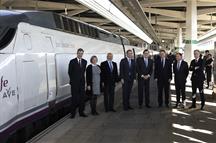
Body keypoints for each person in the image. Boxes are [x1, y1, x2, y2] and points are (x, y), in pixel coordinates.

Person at [68, 48, 88, 118]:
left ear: (83, 54)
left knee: (82, 98)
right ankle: (72, 114)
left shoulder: (85, 62)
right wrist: (73, 81)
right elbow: (69, 72)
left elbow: (83, 72)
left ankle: (81, 112)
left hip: (82, 83)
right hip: (74, 84)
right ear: (77, 53)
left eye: (81, 53)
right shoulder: (72, 61)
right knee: (74, 98)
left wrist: (85, 83)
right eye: (79, 53)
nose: (80, 54)